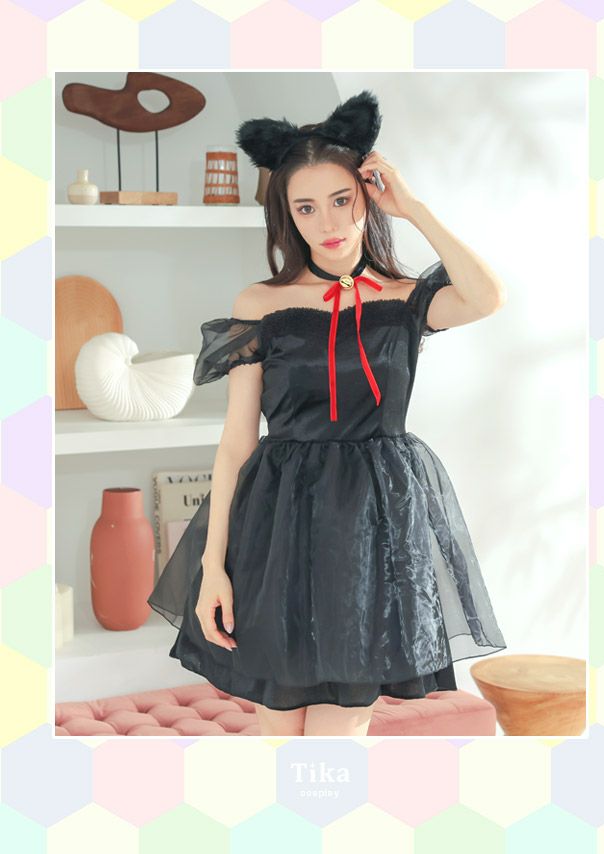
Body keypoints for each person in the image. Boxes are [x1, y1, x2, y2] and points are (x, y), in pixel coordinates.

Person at [148, 90, 507, 737]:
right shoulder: (261, 303)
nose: (327, 222)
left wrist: (413, 208)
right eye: (306, 208)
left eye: (342, 200)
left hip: (373, 526)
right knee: (279, 736)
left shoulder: (405, 298)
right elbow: (236, 443)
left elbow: (486, 298)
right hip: (277, 525)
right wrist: (213, 568)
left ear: (368, 195)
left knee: (337, 740)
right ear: (287, 217)